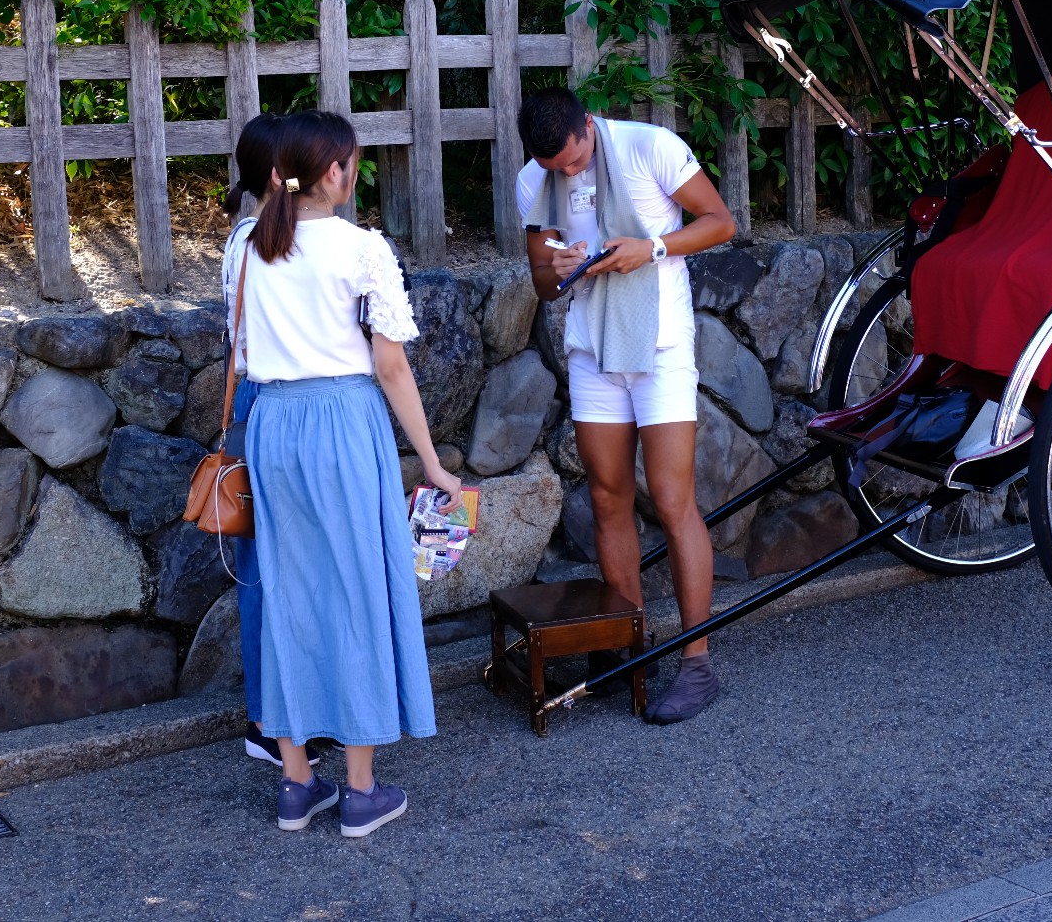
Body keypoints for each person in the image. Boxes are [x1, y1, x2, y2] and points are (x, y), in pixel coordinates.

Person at [228, 109, 463, 837]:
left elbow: (240, 352)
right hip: (341, 420)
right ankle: (360, 790)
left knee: (288, 591)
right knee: (359, 589)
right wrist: (431, 460)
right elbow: (390, 365)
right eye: (350, 161)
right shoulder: (361, 248)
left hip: (273, 425)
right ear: (333, 170)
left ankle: (297, 783)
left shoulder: (244, 243)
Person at [516, 87, 736, 724]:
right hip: (592, 349)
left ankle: (696, 663)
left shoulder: (649, 148)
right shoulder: (536, 177)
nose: (568, 173)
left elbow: (720, 222)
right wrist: (554, 266)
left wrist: (654, 247)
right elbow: (540, 280)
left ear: (589, 125)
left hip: (661, 344)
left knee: (671, 499)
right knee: (608, 498)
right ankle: (623, 645)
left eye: (574, 160)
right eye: (555, 168)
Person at [218, 112, 300, 770]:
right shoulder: (258, 239)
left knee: (287, 568)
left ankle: (286, 712)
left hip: (267, 400)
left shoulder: (261, 235)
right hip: (269, 401)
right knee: (263, 574)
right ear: (278, 173)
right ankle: (267, 718)